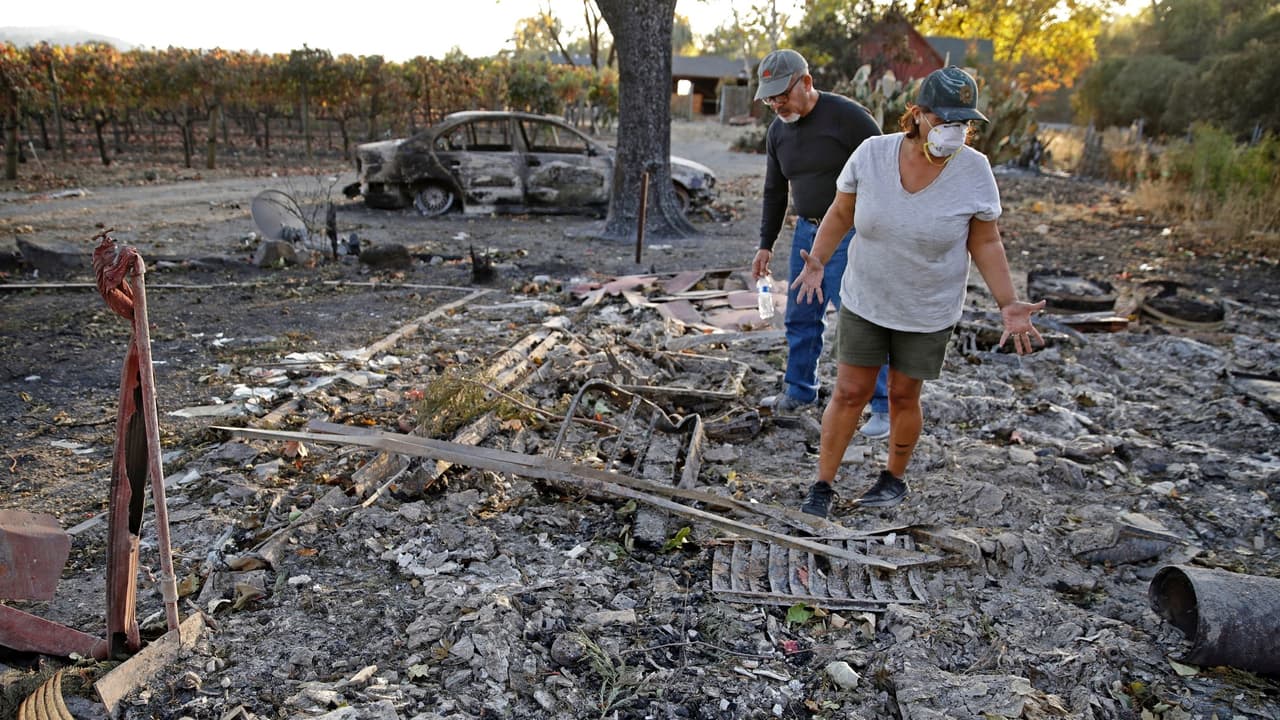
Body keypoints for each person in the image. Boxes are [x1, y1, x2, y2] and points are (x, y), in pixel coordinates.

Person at [791, 66, 1046, 518]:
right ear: (917, 114)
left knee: (905, 395)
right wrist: (818, 259)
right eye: (944, 121)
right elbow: (840, 212)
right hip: (867, 297)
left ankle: (893, 478)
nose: (954, 132)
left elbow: (985, 240)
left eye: (963, 123)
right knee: (850, 392)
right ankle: (822, 485)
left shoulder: (974, 170)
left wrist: (1009, 303)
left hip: (928, 308)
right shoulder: (872, 154)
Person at [751, 49, 891, 439]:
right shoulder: (778, 133)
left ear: (806, 82)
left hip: (852, 234)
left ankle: (883, 406)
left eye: (782, 94)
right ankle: (799, 391)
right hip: (806, 234)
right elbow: (774, 192)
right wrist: (766, 243)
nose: (776, 104)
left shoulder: (848, 119)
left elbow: (886, 172)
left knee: (860, 320)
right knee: (801, 314)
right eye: (769, 98)